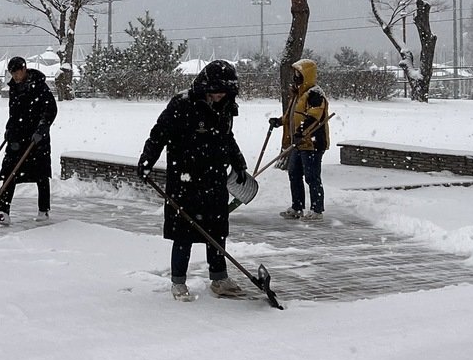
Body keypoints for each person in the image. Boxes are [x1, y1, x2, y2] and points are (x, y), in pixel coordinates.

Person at [137, 59, 250, 302]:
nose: (220, 96)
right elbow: (159, 134)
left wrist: (238, 161)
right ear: (205, 86)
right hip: (185, 179)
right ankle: (179, 282)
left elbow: (226, 137)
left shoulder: (227, 106)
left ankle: (219, 278)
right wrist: (147, 160)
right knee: (184, 232)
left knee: (217, 231)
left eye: (225, 91)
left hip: (214, 178)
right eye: (216, 91)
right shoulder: (182, 104)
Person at [0, 56, 58, 223]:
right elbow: (14, 114)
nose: (15, 76)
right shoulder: (14, 88)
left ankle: (43, 210)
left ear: (24, 69)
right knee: (10, 172)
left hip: (36, 139)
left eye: (17, 72)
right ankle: (3, 211)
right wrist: (9, 130)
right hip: (18, 137)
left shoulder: (39, 86)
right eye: (12, 73)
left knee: (41, 175)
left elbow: (50, 109)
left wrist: (43, 128)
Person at [269, 59, 331, 221]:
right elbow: (292, 115)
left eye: (299, 74)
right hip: (298, 143)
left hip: (313, 143)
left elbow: (314, 117)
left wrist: (302, 132)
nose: (296, 77)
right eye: (295, 74)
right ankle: (297, 207)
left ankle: (317, 210)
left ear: (307, 75)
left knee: (312, 177)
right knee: (294, 174)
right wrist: (279, 121)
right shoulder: (299, 94)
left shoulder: (315, 95)